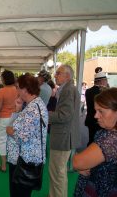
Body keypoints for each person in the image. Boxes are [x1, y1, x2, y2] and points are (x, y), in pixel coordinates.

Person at [73, 87, 117, 197]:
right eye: (96, 111)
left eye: (101, 111)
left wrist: (85, 166)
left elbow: (77, 162)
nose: (96, 116)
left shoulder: (111, 139)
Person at [6, 74, 48, 197]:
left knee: (18, 194)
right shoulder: (34, 105)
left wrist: (10, 131)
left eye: (18, 87)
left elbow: (21, 136)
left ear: (25, 89)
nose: (17, 90)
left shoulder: (33, 109)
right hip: (23, 159)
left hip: (25, 162)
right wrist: (18, 110)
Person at [48, 64, 81, 197]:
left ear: (67, 76)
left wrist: (47, 114)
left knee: (57, 173)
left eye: (58, 73)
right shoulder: (68, 89)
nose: (55, 75)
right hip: (63, 135)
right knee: (57, 172)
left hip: (63, 137)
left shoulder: (68, 90)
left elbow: (64, 116)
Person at [0, 70, 18, 172]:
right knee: (13, 140)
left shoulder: (1, 91)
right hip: (14, 117)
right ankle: (13, 161)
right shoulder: (17, 90)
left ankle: (3, 165)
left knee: (1, 141)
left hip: (4, 118)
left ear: (4, 79)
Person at [85, 67, 108, 146]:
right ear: (101, 81)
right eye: (105, 80)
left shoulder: (88, 91)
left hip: (90, 119)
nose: (106, 82)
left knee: (91, 139)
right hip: (98, 121)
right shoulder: (101, 92)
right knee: (97, 141)